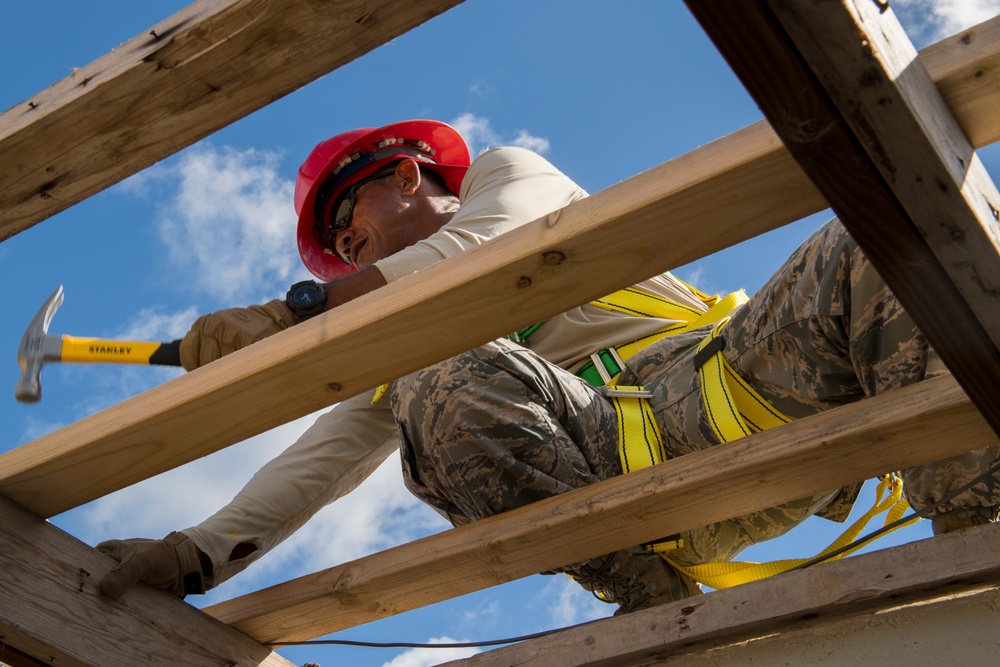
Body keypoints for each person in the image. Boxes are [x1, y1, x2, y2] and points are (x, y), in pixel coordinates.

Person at [97, 119, 1000, 614]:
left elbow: (487, 250)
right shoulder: (410, 351)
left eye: (347, 222)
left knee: (873, 242)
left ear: (407, 175)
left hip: (729, 392)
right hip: (602, 477)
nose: (343, 249)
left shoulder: (507, 177)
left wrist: (289, 311)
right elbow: (318, 463)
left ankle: (976, 535)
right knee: (427, 373)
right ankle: (654, 607)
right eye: (332, 250)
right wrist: (189, 556)